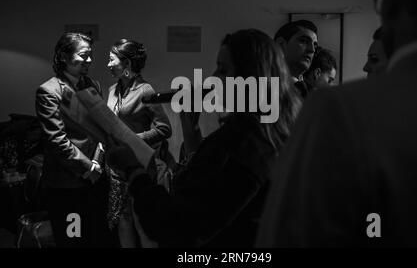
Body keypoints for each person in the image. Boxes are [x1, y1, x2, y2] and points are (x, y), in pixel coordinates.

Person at [256, 0, 417, 247]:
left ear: (391, 7)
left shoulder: (335, 108)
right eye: (304, 41)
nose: (311, 50)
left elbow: (290, 235)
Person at [107, 29, 301, 247]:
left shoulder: (243, 140)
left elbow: (174, 226)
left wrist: (133, 169)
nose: (213, 79)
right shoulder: (270, 131)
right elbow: (214, 196)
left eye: (223, 69)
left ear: (249, 78)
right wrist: (192, 137)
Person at [35, 32, 110, 247]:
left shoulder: (93, 85)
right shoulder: (48, 92)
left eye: (90, 55)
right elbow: (57, 140)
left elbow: (101, 127)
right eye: (84, 55)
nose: (89, 60)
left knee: (95, 236)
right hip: (67, 184)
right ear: (64, 57)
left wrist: (98, 163)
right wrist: (88, 168)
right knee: (73, 239)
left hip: (96, 178)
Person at [106, 38, 172, 247]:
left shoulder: (145, 90)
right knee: (123, 218)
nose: (108, 64)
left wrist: (133, 141)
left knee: (141, 219)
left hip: (139, 166)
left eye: (111, 60)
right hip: (117, 169)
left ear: (126, 64)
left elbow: (164, 129)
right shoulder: (111, 90)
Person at [274, 20, 318, 99]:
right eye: (304, 41)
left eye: (315, 45)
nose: (312, 50)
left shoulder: (313, 93)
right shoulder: (260, 88)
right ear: (281, 45)